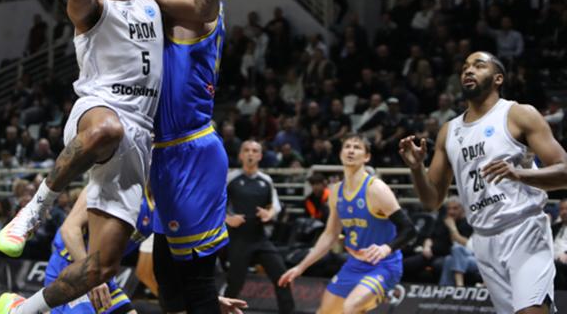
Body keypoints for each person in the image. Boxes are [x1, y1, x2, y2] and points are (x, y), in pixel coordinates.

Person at [0, 0, 221, 314]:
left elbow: (203, 12)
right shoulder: (91, 6)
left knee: (102, 266)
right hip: (98, 109)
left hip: (139, 138)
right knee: (106, 129)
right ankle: (34, 209)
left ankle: (24, 310)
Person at [142, 0, 237, 313]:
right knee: (168, 283)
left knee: (196, 288)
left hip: (192, 153)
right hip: (168, 152)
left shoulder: (200, 12)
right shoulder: (182, 1)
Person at [400, 51, 567, 313]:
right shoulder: (449, 132)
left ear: (498, 78)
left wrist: (519, 174)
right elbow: (431, 201)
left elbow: (564, 170)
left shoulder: (519, 114)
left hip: (524, 229)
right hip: (484, 239)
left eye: (479, 66)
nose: (468, 70)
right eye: (465, 67)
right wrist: (417, 169)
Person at [280, 135, 416, 313]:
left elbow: (409, 230)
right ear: (340, 153)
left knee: (351, 307)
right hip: (355, 264)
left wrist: (386, 248)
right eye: (347, 146)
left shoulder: (376, 189)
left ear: (366, 157)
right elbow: (330, 235)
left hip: (384, 265)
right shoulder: (336, 191)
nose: (351, 150)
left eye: (357, 147)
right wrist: (300, 267)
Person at [225, 140, 294, 313]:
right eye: (246, 150)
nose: (250, 153)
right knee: (234, 285)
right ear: (240, 155)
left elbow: (275, 205)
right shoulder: (230, 178)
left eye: (255, 151)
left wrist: (268, 214)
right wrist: (228, 219)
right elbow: (214, 204)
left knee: (283, 278)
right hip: (238, 238)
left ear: (260, 156)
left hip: (260, 238)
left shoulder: (266, 180)